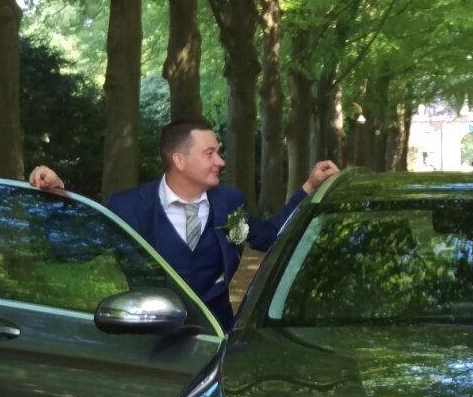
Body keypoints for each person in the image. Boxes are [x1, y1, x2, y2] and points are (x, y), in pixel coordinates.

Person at [29, 118, 340, 330]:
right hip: (151, 345)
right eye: (210, 153)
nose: (220, 162)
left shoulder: (229, 203)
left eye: (218, 153)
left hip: (216, 339)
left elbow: (269, 238)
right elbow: (68, 250)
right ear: (179, 161)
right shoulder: (129, 207)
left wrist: (309, 188)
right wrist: (57, 198)